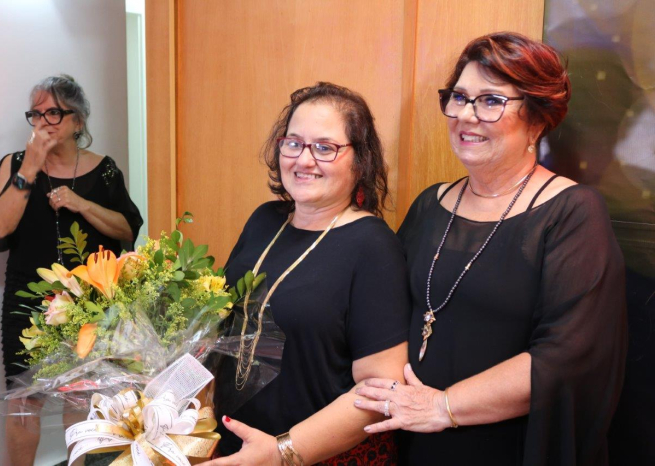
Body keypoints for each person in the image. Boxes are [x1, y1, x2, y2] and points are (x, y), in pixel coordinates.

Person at [354, 32, 627, 465]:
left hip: (508, 446)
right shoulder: (430, 203)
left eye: (490, 101)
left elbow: (568, 356)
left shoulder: (573, 212)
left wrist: (442, 406)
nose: (466, 115)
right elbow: (382, 310)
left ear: (537, 118)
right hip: (409, 437)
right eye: (460, 98)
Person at [207, 83, 411, 465]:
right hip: (233, 449)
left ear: (360, 160)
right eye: (294, 143)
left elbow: (379, 389)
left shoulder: (373, 246)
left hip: (314, 457)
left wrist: (281, 452)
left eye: (324, 147)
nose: (303, 160)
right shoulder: (264, 220)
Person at [0, 74, 143, 465]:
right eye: (36, 114)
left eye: (54, 112)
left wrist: (81, 203)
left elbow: (126, 229)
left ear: (78, 120)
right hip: (27, 300)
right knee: (24, 400)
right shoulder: (15, 164)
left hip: (88, 302)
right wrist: (30, 167)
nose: (44, 122)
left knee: (80, 395)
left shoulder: (104, 170)